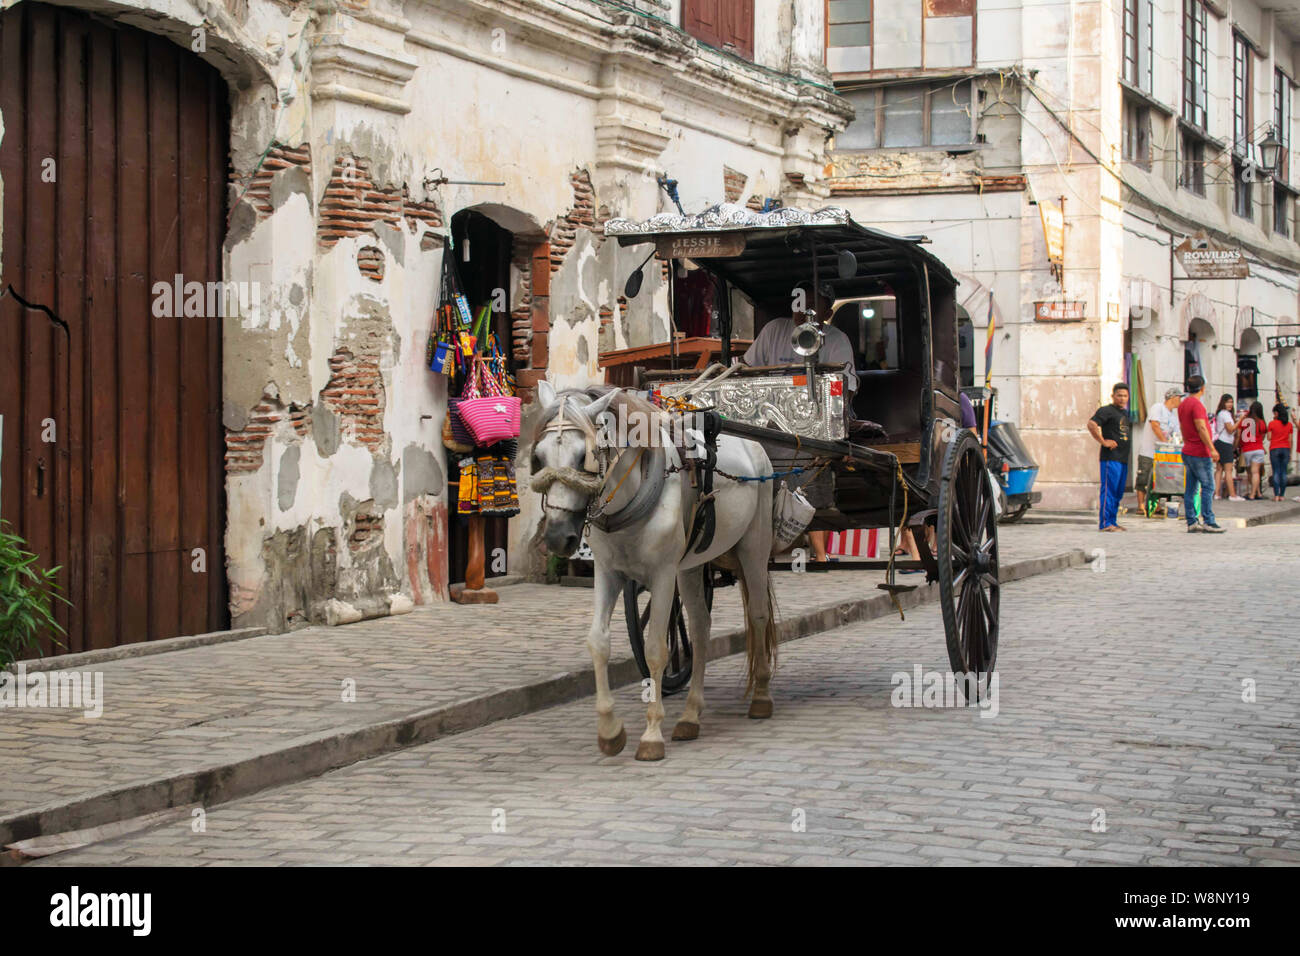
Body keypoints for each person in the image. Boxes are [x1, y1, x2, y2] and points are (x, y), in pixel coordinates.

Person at [741, 279, 856, 561]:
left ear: (827, 312)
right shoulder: (773, 331)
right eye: (799, 301)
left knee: (808, 454)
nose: (803, 309)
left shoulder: (837, 339)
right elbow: (747, 371)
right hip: (769, 423)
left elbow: (845, 389)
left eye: (812, 305)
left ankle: (816, 547)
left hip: (815, 425)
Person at [1177, 375, 1225, 533]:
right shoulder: (1197, 405)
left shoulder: (1182, 405)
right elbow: (1201, 427)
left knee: (1191, 488)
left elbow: (1184, 427)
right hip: (1199, 451)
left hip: (1188, 449)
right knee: (1208, 486)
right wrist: (1211, 448)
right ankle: (1208, 520)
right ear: (1203, 388)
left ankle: (1191, 521)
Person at [1087, 383, 1132, 532]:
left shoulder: (1125, 413)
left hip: (1123, 458)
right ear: (1113, 396)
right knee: (1109, 490)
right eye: (1119, 395)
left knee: (1118, 492)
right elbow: (1092, 424)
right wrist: (1102, 441)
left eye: (1125, 396)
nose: (1122, 398)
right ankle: (1105, 523)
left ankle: (1113, 521)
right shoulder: (1106, 410)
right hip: (1110, 458)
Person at [1135, 386, 1182, 516]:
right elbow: (1154, 425)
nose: (1180, 401)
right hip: (1149, 451)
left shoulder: (1173, 416)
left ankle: (1155, 506)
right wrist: (1164, 442)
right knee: (1144, 478)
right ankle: (1141, 505)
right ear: (1174, 397)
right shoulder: (1158, 408)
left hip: (1164, 454)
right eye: (1179, 398)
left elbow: (1177, 434)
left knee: (1161, 480)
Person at [1236, 401, 1268, 500]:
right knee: (1256, 473)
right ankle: (1253, 494)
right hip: (1258, 449)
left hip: (1246, 449)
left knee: (1250, 472)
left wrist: (1237, 446)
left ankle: (1257, 492)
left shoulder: (1244, 420)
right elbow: (1263, 437)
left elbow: (1238, 435)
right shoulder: (1261, 422)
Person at [1211, 394, 1240, 500]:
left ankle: (1217, 493)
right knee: (1228, 469)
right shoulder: (1226, 414)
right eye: (1228, 402)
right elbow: (1230, 429)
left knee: (1219, 469)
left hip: (1219, 442)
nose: (1230, 404)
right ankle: (1232, 495)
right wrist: (1240, 421)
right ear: (1223, 402)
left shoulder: (1220, 414)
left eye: (1231, 402)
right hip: (1225, 443)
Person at [1266, 403, 1293, 501]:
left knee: (1276, 471)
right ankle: (1282, 495)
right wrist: (1290, 452)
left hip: (1274, 448)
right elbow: (1290, 440)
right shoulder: (1289, 425)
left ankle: (1276, 495)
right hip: (1286, 449)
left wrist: (1276, 437)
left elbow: (1269, 437)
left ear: (1277, 413)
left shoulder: (1272, 424)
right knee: (1283, 472)